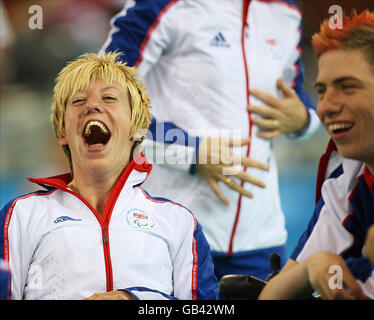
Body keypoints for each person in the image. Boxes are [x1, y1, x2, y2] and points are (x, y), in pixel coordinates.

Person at [101, 0, 320, 281]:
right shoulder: (160, 5)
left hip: (261, 236)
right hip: (169, 229)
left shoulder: (286, 10)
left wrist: (303, 120)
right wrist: (191, 153)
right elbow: (105, 105)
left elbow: (297, 96)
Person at [0, 51, 219, 300]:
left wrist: (132, 299)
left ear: (137, 129)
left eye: (109, 98)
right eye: (79, 101)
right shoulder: (19, 217)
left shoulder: (179, 223)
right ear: (62, 133)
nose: (93, 105)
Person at [259, 9, 374, 300]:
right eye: (322, 90)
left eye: (347, 87)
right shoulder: (348, 177)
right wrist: (311, 268)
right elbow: (271, 295)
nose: (327, 106)